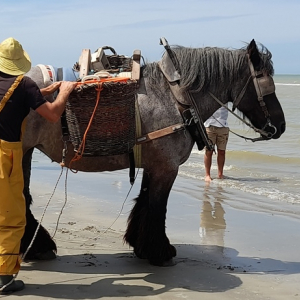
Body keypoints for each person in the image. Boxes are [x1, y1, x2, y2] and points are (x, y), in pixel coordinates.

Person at [0, 37, 77, 294]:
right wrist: (63, 92)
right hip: (5, 157)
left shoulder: (22, 89)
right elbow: (54, 114)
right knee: (11, 217)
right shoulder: (24, 85)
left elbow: (13, 101)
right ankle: (5, 280)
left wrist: (39, 94)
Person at [204, 106, 229, 182]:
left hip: (223, 125)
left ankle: (220, 174)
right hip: (209, 125)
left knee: (222, 152)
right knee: (209, 151)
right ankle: (207, 175)